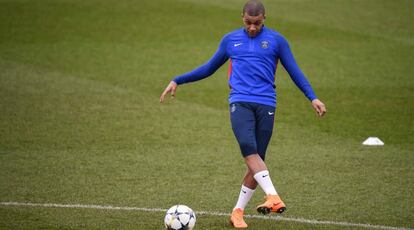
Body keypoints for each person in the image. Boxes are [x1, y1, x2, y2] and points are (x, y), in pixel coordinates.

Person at [160, 0, 326, 228]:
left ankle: (237, 212)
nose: (252, 28)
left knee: (257, 162)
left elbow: (295, 71)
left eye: (257, 23)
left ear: (264, 19)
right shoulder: (230, 40)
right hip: (240, 101)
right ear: (242, 18)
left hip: (267, 103)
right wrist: (177, 79)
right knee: (248, 147)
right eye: (248, 22)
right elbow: (208, 68)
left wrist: (312, 97)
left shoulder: (277, 41)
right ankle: (274, 197)